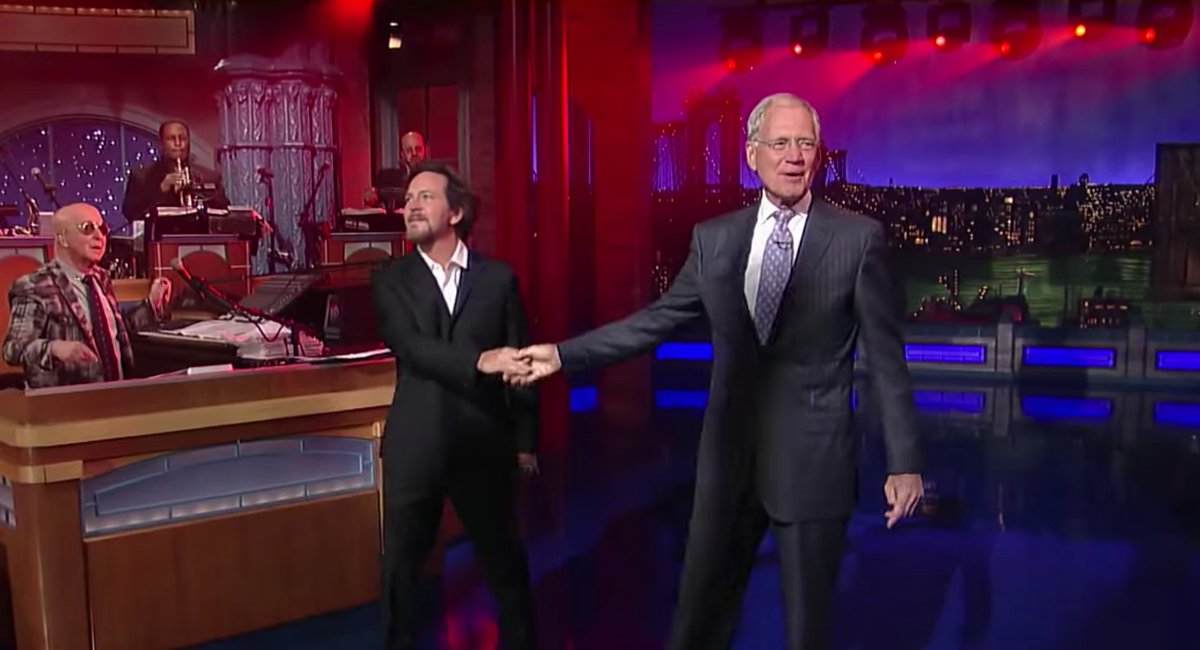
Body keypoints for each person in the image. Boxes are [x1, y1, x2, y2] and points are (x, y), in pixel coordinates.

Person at [514, 93, 925, 650]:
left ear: (819, 154)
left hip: (814, 462)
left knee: (807, 632)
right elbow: (657, 320)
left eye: (805, 143)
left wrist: (904, 463)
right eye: (780, 143)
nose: (794, 155)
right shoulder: (715, 239)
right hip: (726, 464)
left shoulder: (857, 238)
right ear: (752, 154)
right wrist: (563, 356)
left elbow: (887, 359)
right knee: (698, 624)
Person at [370, 161, 539, 650]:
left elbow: (521, 362)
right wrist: (479, 360)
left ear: (456, 212)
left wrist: (525, 441)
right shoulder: (389, 280)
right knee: (400, 571)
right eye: (408, 199)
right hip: (416, 445)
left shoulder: (498, 279)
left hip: (483, 443)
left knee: (505, 563)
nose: (411, 206)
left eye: (425, 197)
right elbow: (411, 347)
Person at [2, 203, 171, 388]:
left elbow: (114, 332)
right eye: (88, 228)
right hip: (68, 401)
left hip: (118, 395)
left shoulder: (101, 278)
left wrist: (151, 305)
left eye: (102, 229)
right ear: (63, 238)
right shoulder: (35, 285)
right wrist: (54, 348)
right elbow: (13, 349)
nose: (100, 236)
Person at [121, 120, 229, 223]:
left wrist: (198, 191)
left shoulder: (210, 177)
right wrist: (162, 189)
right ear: (161, 143)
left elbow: (224, 210)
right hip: (160, 234)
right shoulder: (141, 176)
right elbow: (131, 213)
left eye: (183, 138)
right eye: (171, 139)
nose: (178, 143)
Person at [365, 131, 428, 210]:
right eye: (409, 150)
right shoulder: (388, 178)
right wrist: (371, 197)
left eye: (418, 149)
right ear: (402, 155)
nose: (414, 153)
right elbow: (373, 200)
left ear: (425, 151)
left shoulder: (436, 178)